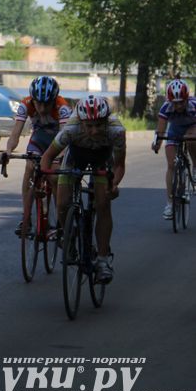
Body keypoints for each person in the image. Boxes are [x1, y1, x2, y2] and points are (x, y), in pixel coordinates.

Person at [40, 95, 126, 284]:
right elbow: (47, 157)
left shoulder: (116, 131)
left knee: (102, 203)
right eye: (89, 126)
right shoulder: (71, 129)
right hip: (75, 157)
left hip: (102, 159)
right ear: (80, 122)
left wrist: (115, 183)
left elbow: (119, 165)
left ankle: (103, 261)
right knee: (62, 202)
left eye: (98, 125)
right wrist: (49, 176)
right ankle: (70, 238)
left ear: (106, 121)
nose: (94, 131)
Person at [0, 76, 72, 234]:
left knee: (54, 176)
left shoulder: (63, 107)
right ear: (32, 99)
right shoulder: (25, 105)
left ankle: (60, 219)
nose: (42, 108)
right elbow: (15, 134)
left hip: (58, 143)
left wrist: (58, 159)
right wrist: (8, 151)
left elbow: (65, 139)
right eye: (38, 103)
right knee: (30, 169)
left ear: (54, 100)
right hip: (39, 139)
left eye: (47, 104)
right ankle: (26, 217)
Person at [151, 78, 196, 219]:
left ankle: (195, 168)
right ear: (170, 101)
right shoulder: (165, 107)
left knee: (191, 140)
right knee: (171, 165)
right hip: (175, 131)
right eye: (175, 103)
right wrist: (157, 143)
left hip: (192, 128)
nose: (178, 106)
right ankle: (170, 203)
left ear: (187, 98)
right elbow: (160, 131)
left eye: (182, 102)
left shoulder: (194, 105)